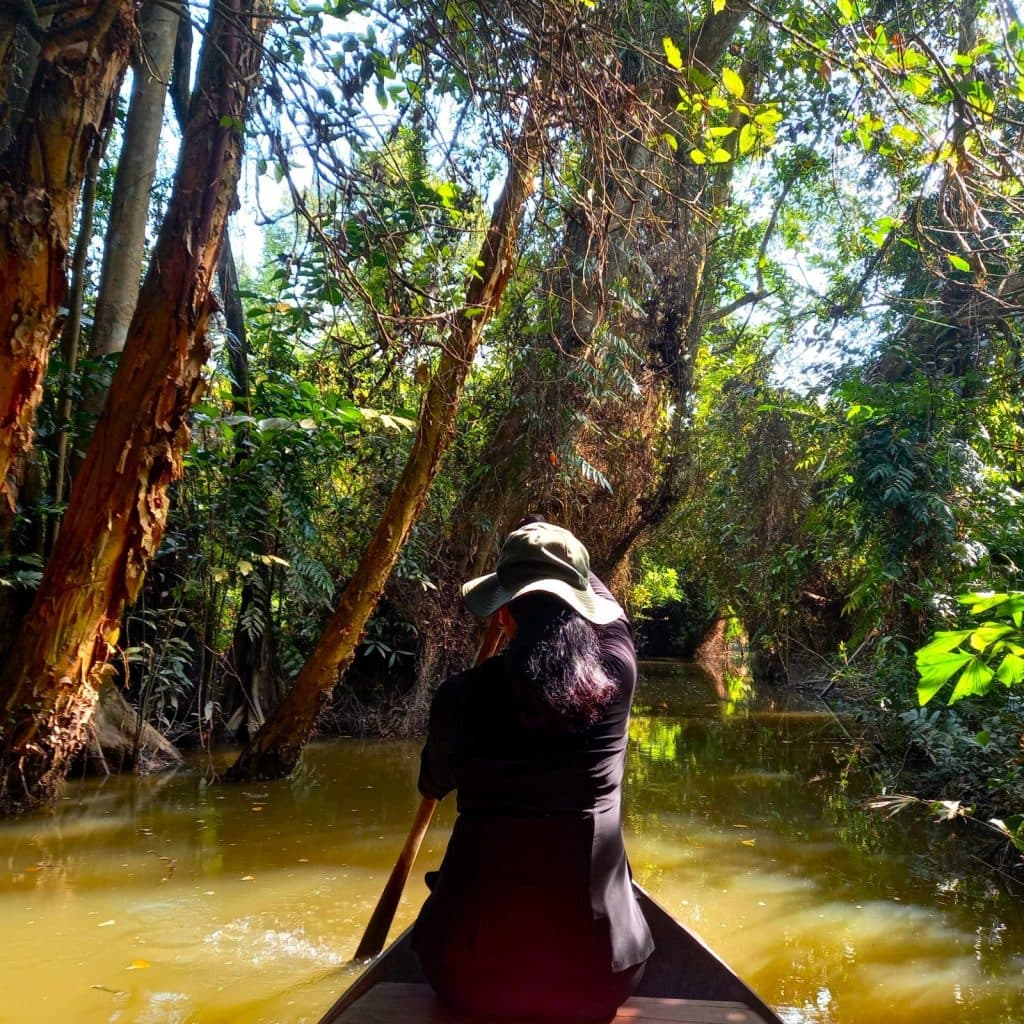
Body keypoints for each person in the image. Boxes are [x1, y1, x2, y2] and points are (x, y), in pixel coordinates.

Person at [412, 520, 654, 1023]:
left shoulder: (457, 698)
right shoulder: (616, 677)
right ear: (582, 608)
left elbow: (433, 781)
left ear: (503, 616)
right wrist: (563, 568)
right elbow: (614, 620)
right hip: (595, 977)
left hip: (467, 976)